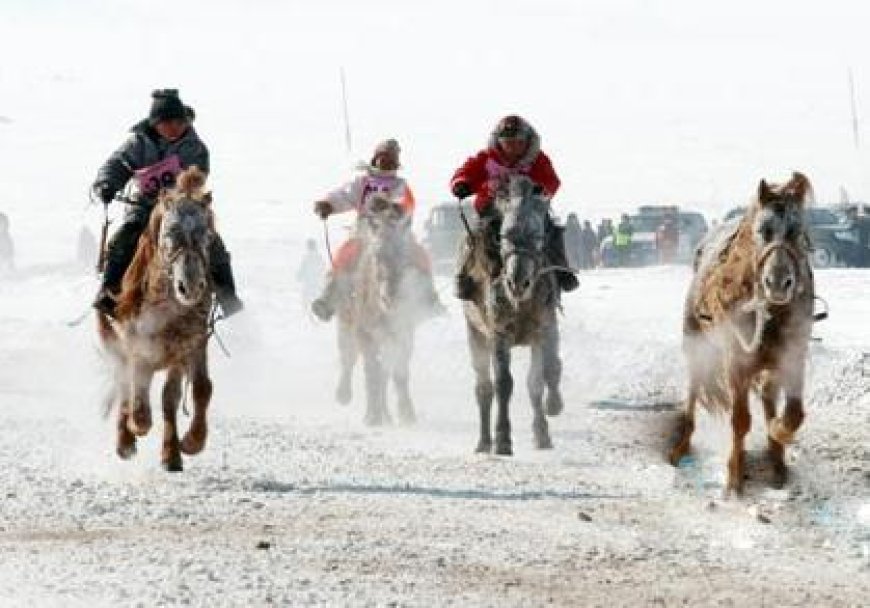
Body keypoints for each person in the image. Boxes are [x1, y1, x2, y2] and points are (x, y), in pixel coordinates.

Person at [90, 89, 243, 318]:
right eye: (168, 123)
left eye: (179, 122)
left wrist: (182, 189)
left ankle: (228, 297)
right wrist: (107, 184)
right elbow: (117, 165)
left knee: (212, 242)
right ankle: (109, 293)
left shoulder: (195, 147)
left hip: (184, 208)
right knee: (123, 239)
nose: (174, 128)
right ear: (156, 123)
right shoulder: (138, 143)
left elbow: (197, 175)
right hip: (144, 207)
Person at [310, 139, 444, 321]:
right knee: (345, 253)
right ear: (375, 159)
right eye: (383, 158)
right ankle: (329, 299)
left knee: (420, 255)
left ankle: (429, 298)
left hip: (396, 232)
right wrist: (328, 204)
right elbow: (344, 195)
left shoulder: (400, 184)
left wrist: (392, 206)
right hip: (365, 230)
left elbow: (406, 202)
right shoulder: (362, 182)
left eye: (391, 159)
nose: (386, 162)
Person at [449, 115, 579, 300]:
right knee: (475, 235)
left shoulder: (537, 159)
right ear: (499, 142)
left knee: (552, 229)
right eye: (507, 143)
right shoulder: (486, 158)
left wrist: (542, 189)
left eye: (518, 142)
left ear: (526, 142)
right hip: (493, 210)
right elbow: (465, 172)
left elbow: (552, 181)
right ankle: (463, 275)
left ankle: (561, 270)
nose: (512, 148)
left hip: (529, 209)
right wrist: (462, 183)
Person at [296, 238, 326, 308]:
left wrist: (299, 277)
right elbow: (323, 268)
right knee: (317, 296)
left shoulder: (307, 257)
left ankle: (306, 309)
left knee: (306, 298)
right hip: (317, 282)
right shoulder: (319, 257)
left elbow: (302, 269)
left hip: (309, 282)